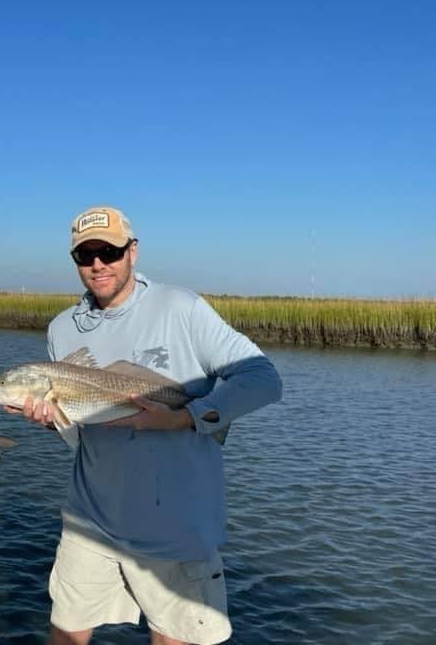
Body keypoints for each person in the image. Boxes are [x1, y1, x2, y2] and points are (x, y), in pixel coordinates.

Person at [14, 206, 282, 645]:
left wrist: (184, 418)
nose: (98, 264)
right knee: (63, 636)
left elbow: (263, 378)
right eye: (85, 255)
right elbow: (78, 430)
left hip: (176, 527)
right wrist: (49, 417)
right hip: (89, 520)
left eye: (110, 251)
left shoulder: (181, 308)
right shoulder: (61, 329)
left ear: (132, 251)